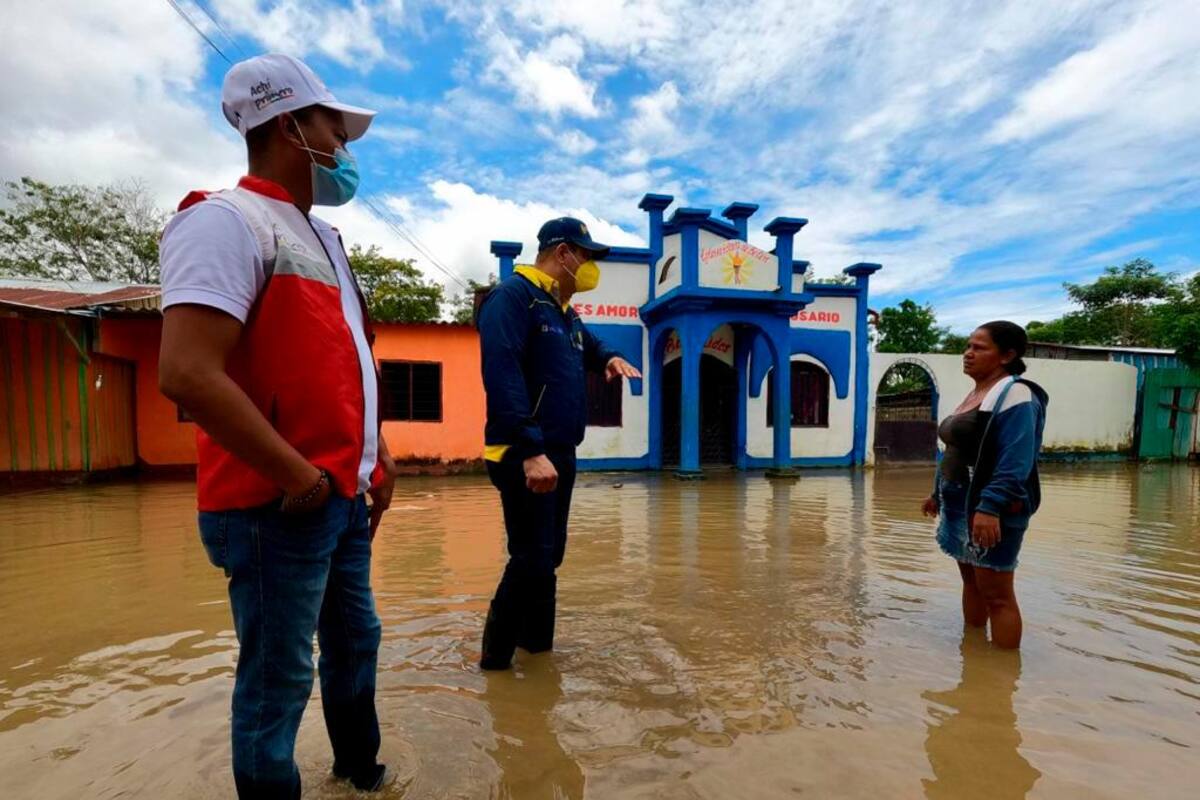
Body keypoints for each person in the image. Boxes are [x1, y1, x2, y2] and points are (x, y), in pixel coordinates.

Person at [158, 54, 396, 797]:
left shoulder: (325, 240)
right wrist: (298, 477)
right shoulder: (224, 221)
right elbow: (189, 373)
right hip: (277, 506)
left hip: (339, 498)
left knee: (356, 644)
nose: (346, 149)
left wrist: (376, 458)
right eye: (336, 128)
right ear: (292, 125)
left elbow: (350, 361)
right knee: (278, 684)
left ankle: (362, 777)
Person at [476, 217, 642, 670]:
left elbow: (590, 344)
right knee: (530, 556)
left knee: (549, 557)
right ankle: (494, 663)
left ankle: (537, 652)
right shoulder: (512, 299)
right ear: (564, 253)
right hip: (523, 453)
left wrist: (609, 357)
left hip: (559, 451)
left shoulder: (562, 311)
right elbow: (502, 375)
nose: (591, 268)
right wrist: (530, 450)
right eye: (587, 257)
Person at [922, 321, 1048, 649]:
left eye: (979, 348)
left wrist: (990, 507)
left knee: (998, 595)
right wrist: (936, 492)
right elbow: (957, 450)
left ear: (1007, 355)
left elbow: (1016, 460)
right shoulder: (978, 393)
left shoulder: (1016, 395)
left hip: (988, 508)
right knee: (972, 583)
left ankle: (1003, 681)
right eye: (968, 346)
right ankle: (974, 659)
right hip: (959, 501)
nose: (967, 353)